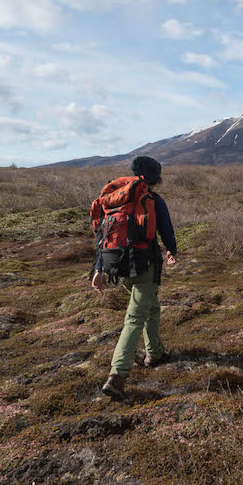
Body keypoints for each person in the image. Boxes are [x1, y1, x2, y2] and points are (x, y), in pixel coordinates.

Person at [91, 156, 179, 401]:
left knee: (151, 306)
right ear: (155, 178)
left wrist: (98, 269)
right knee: (134, 318)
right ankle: (117, 376)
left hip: (116, 266)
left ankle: (155, 353)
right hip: (144, 266)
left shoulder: (115, 202)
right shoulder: (153, 200)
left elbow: (102, 236)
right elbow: (167, 232)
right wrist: (172, 250)